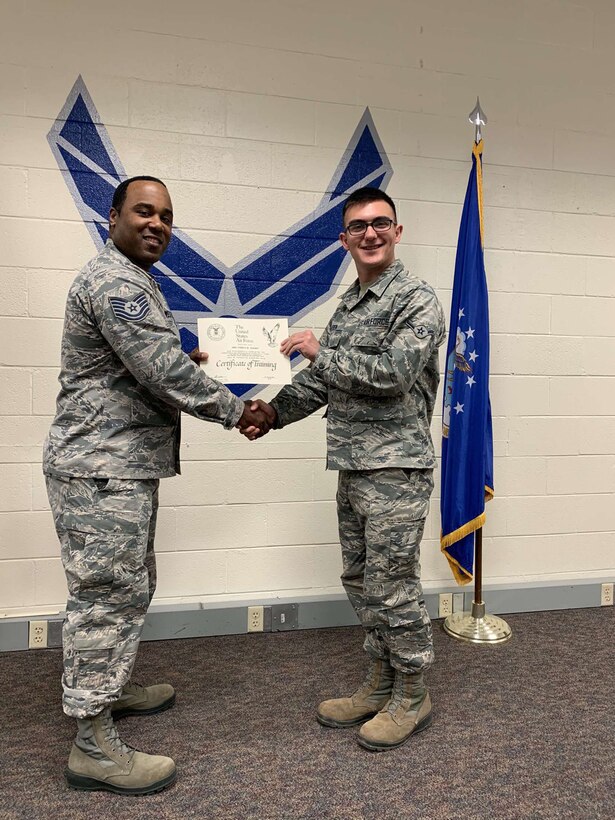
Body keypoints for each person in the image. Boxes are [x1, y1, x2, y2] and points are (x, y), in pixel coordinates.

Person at [43, 175, 270, 794]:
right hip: (101, 467)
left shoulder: (134, 281)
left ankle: (108, 692)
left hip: (118, 465)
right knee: (106, 597)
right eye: (144, 211)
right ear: (112, 215)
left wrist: (186, 363)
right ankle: (92, 744)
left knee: (129, 585)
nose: (157, 224)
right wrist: (235, 409)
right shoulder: (115, 280)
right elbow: (158, 367)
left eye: (166, 216)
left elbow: (149, 361)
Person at [248, 187, 446, 752]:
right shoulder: (351, 302)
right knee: (361, 580)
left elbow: (392, 375)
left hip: (395, 468)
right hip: (354, 466)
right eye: (358, 226)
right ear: (344, 240)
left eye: (381, 223)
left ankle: (412, 690)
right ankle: (380, 679)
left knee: (392, 583)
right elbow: (320, 382)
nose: (370, 234)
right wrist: (269, 413)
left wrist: (320, 352)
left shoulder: (415, 300)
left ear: (398, 231)